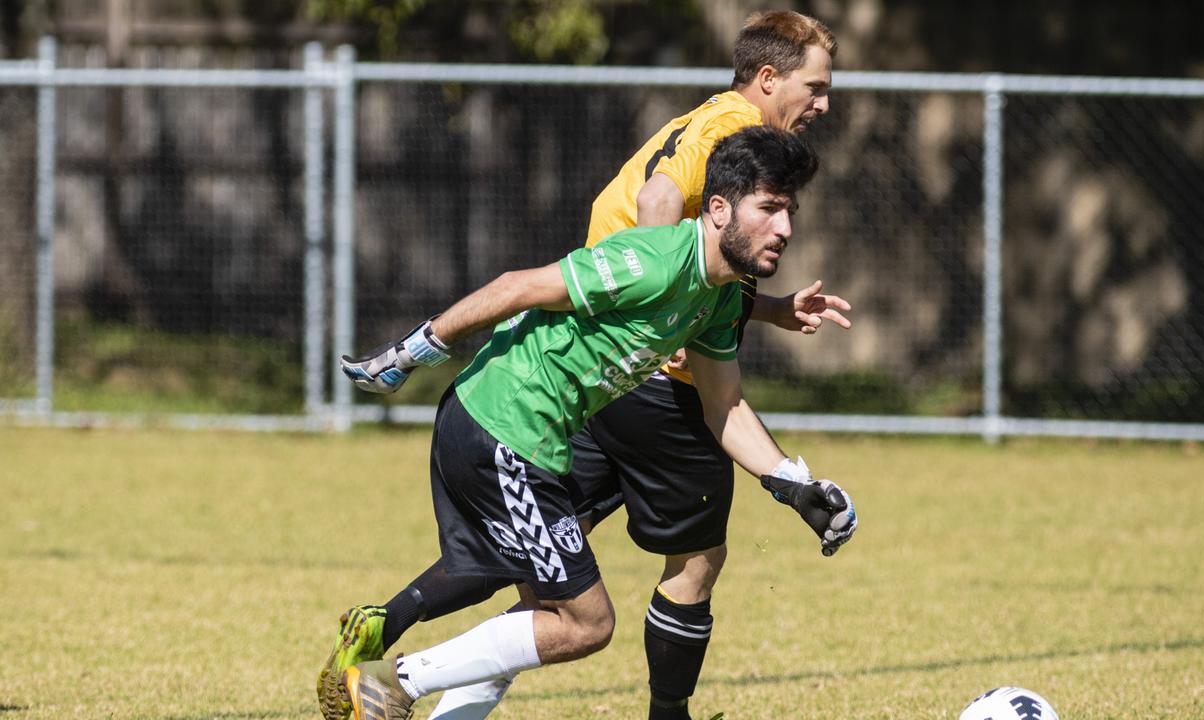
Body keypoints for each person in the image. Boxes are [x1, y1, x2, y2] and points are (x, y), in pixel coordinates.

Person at [316, 11, 848, 720]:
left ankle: (395, 654)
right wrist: (409, 354)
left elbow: (725, 406)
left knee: (538, 600)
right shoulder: (683, 217)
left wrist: (791, 482)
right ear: (721, 209)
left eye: (791, 213)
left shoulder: (721, 298)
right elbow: (518, 284)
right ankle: (392, 682)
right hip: (502, 427)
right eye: (771, 209)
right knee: (591, 619)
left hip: (537, 430)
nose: (785, 227)